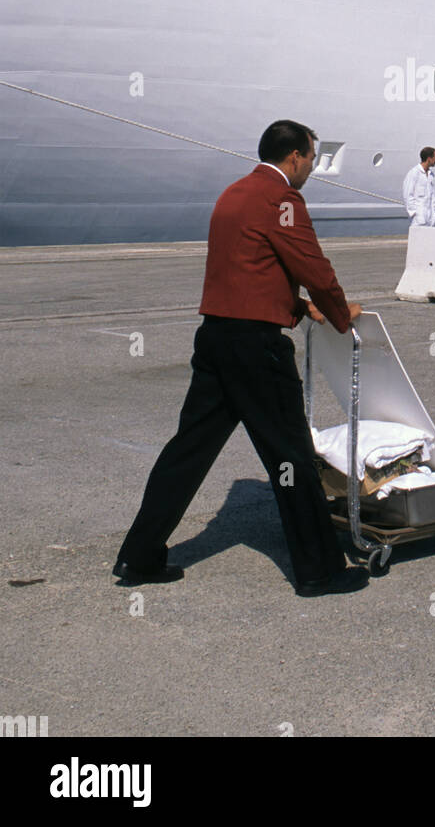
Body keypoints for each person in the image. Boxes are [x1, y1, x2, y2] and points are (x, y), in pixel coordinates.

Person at [113, 120, 368, 597]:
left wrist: (296, 309)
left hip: (215, 340)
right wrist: (339, 315)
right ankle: (320, 571)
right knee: (291, 456)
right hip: (256, 350)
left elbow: (247, 270)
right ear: (293, 157)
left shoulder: (232, 194)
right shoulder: (282, 201)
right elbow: (312, 266)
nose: (313, 167)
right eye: (311, 157)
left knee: (186, 453)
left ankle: (139, 556)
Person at [403, 146, 435, 227]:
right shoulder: (414, 173)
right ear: (429, 158)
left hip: (430, 219)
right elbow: (408, 194)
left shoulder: (431, 175)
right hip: (418, 219)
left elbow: (432, 196)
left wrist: (434, 213)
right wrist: (414, 214)